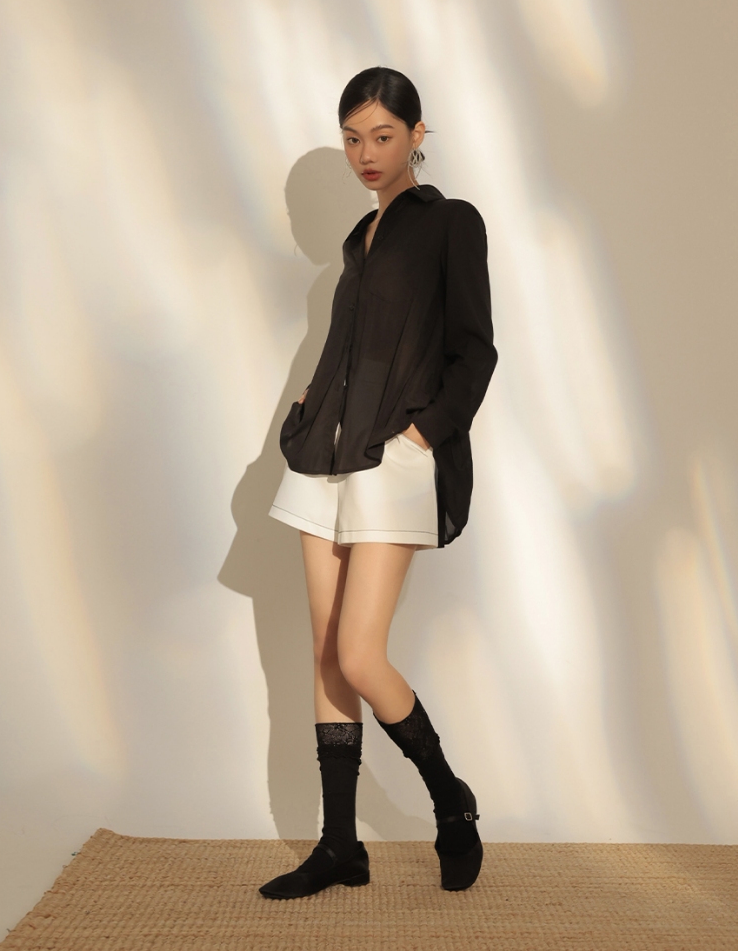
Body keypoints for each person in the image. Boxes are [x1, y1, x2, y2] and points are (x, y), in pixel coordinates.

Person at [259, 67, 498, 900]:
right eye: (353, 138)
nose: (367, 153)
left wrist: (422, 435)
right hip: (321, 458)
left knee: (361, 654)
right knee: (327, 653)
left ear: (417, 135)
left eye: (384, 136)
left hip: (391, 460)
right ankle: (339, 846)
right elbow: (344, 352)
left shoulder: (451, 223)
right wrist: (303, 415)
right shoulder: (359, 238)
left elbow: (476, 349)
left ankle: (450, 800)